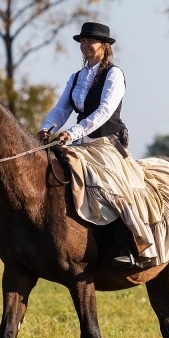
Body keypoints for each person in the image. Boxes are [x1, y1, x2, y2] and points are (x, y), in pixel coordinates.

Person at [38, 22, 153, 268]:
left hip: (106, 143)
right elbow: (62, 108)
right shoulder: (76, 77)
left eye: (91, 41)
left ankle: (130, 246)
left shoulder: (114, 74)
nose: (85, 45)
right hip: (80, 142)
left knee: (108, 186)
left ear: (104, 46)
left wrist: (74, 131)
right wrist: (48, 127)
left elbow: (104, 111)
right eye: (83, 41)